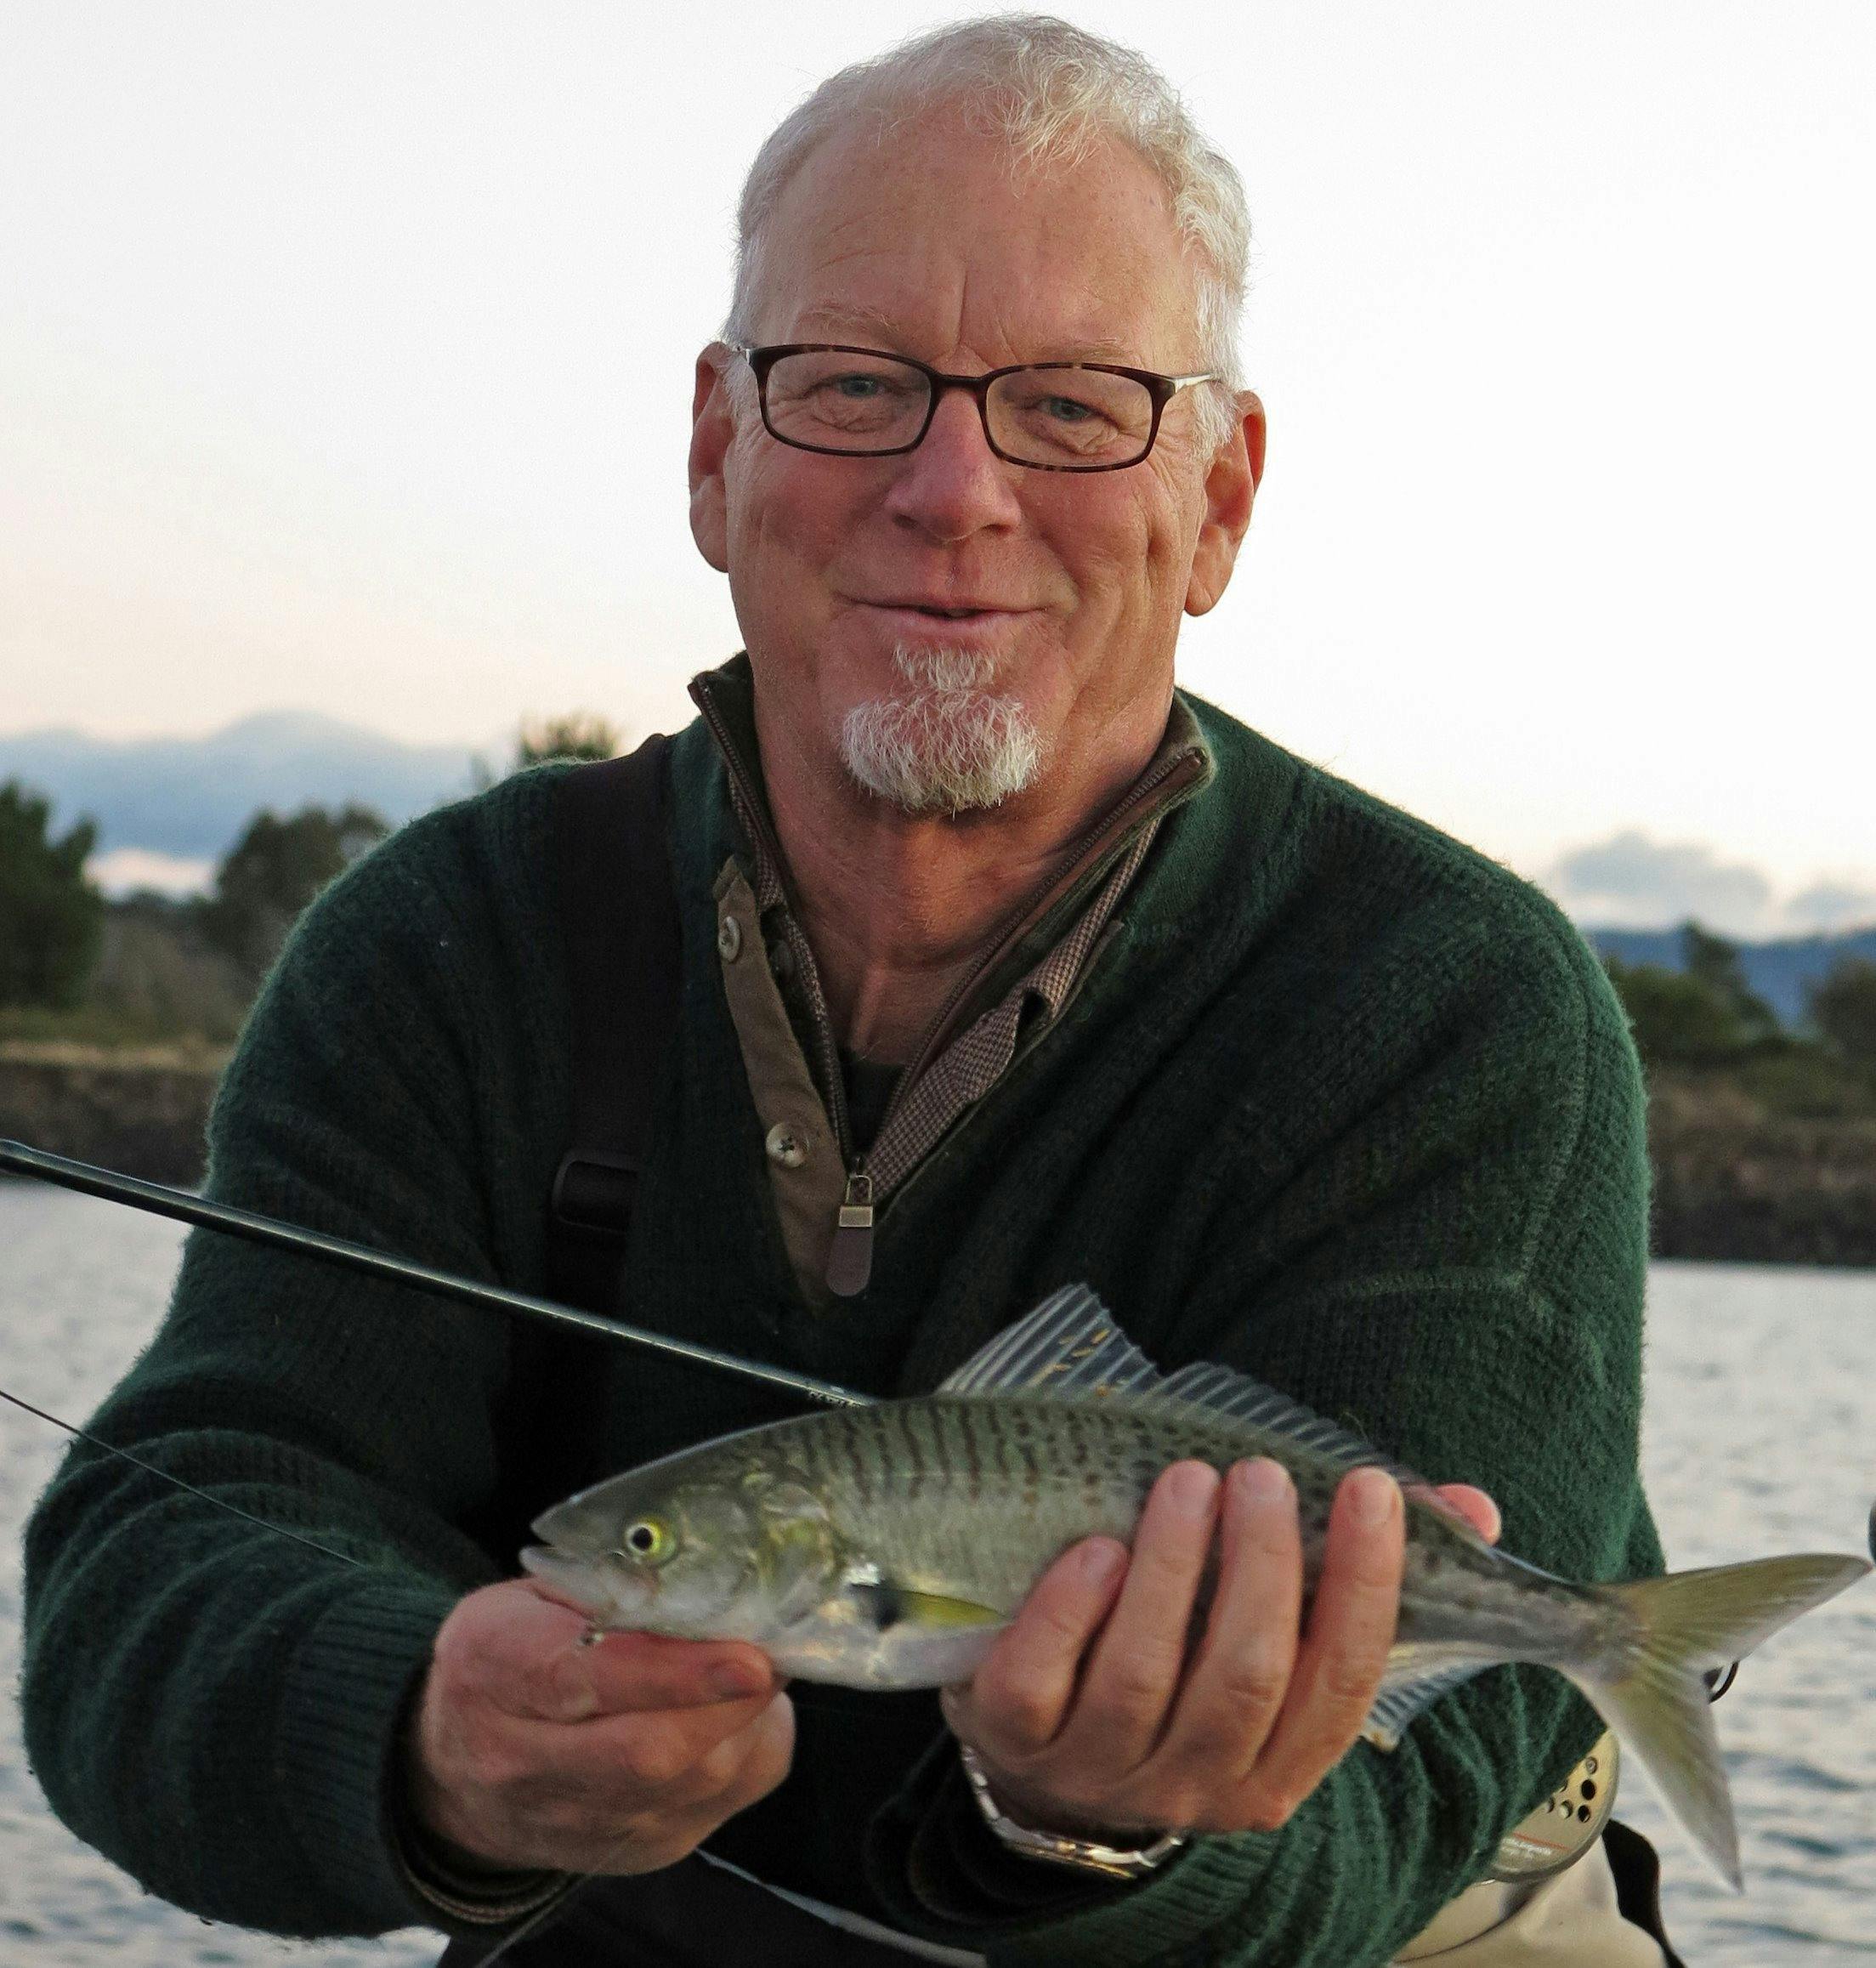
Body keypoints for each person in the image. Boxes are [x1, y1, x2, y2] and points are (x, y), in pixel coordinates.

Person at [22, 18, 1667, 1967]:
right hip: (652, 1902)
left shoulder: (1460, 1007)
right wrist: (422, 1734)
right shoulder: (449, 936)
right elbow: (173, 1542)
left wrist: (1088, 1835)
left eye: (1074, 405)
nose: (955, 489)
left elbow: (1416, 1792)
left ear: (1218, 499)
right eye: (858, 385)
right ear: (718, 455)